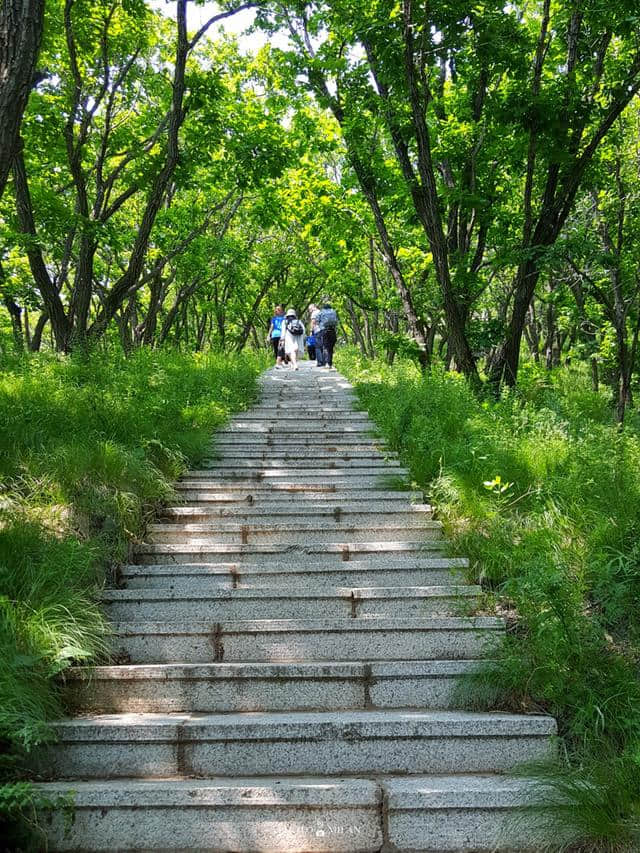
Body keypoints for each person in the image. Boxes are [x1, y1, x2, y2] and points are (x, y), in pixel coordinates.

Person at [317, 301, 339, 368]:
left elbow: (317, 321)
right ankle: (330, 363)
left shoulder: (321, 312)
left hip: (324, 330)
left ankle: (326, 363)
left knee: (325, 347)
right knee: (331, 348)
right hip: (332, 330)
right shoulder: (334, 311)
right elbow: (337, 321)